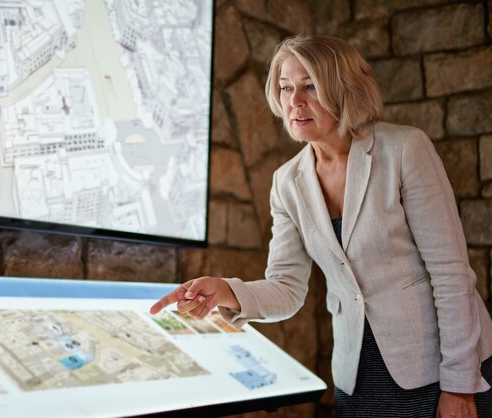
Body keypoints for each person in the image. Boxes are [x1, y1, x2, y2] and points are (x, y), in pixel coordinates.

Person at [150, 35, 492, 417]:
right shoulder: (286, 182)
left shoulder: (405, 149)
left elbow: (451, 274)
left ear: (343, 89)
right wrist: (225, 291)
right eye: (285, 88)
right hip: (355, 378)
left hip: (439, 369)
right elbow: (286, 287)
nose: (294, 101)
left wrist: (459, 385)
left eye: (310, 86)